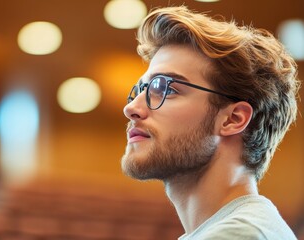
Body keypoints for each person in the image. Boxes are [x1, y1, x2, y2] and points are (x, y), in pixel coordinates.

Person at [121, 5, 299, 240]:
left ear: (233, 119)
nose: (131, 108)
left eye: (166, 88)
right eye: (141, 89)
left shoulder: (239, 234)